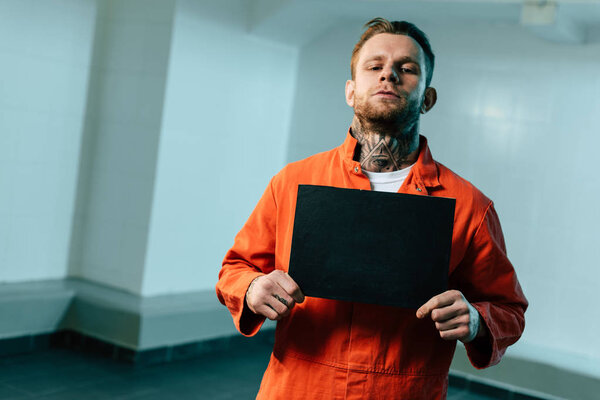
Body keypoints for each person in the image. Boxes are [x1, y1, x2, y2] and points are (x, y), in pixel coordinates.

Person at [216, 17, 528, 399]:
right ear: (351, 91)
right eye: (374, 66)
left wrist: (478, 320)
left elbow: (508, 309)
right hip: (298, 388)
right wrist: (251, 288)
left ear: (427, 98)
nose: (389, 76)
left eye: (407, 69)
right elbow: (235, 268)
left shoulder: (469, 206)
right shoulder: (294, 182)